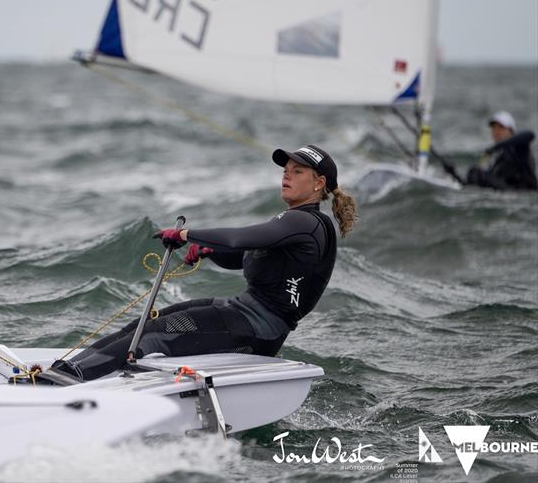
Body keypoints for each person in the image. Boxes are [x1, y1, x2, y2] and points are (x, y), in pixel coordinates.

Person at [45, 145, 358, 384]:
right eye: (285, 169)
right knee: (141, 325)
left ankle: (68, 382)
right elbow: (243, 256)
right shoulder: (294, 221)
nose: (286, 175)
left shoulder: (307, 223)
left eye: (297, 171)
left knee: (153, 336)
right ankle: (68, 370)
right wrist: (208, 250)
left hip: (259, 330)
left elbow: (240, 238)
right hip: (241, 311)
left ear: (319, 183)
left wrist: (185, 234)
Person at [448, 111, 537, 190]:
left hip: (524, 193)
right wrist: (454, 175)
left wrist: (495, 147)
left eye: (501, 128)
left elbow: (530, 134)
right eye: (494, 128)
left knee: (476, 172)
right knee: (475, 173)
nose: (496, 132)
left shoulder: (520, 148)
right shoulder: (499, 157)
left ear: (511, 131)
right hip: (507, 193)